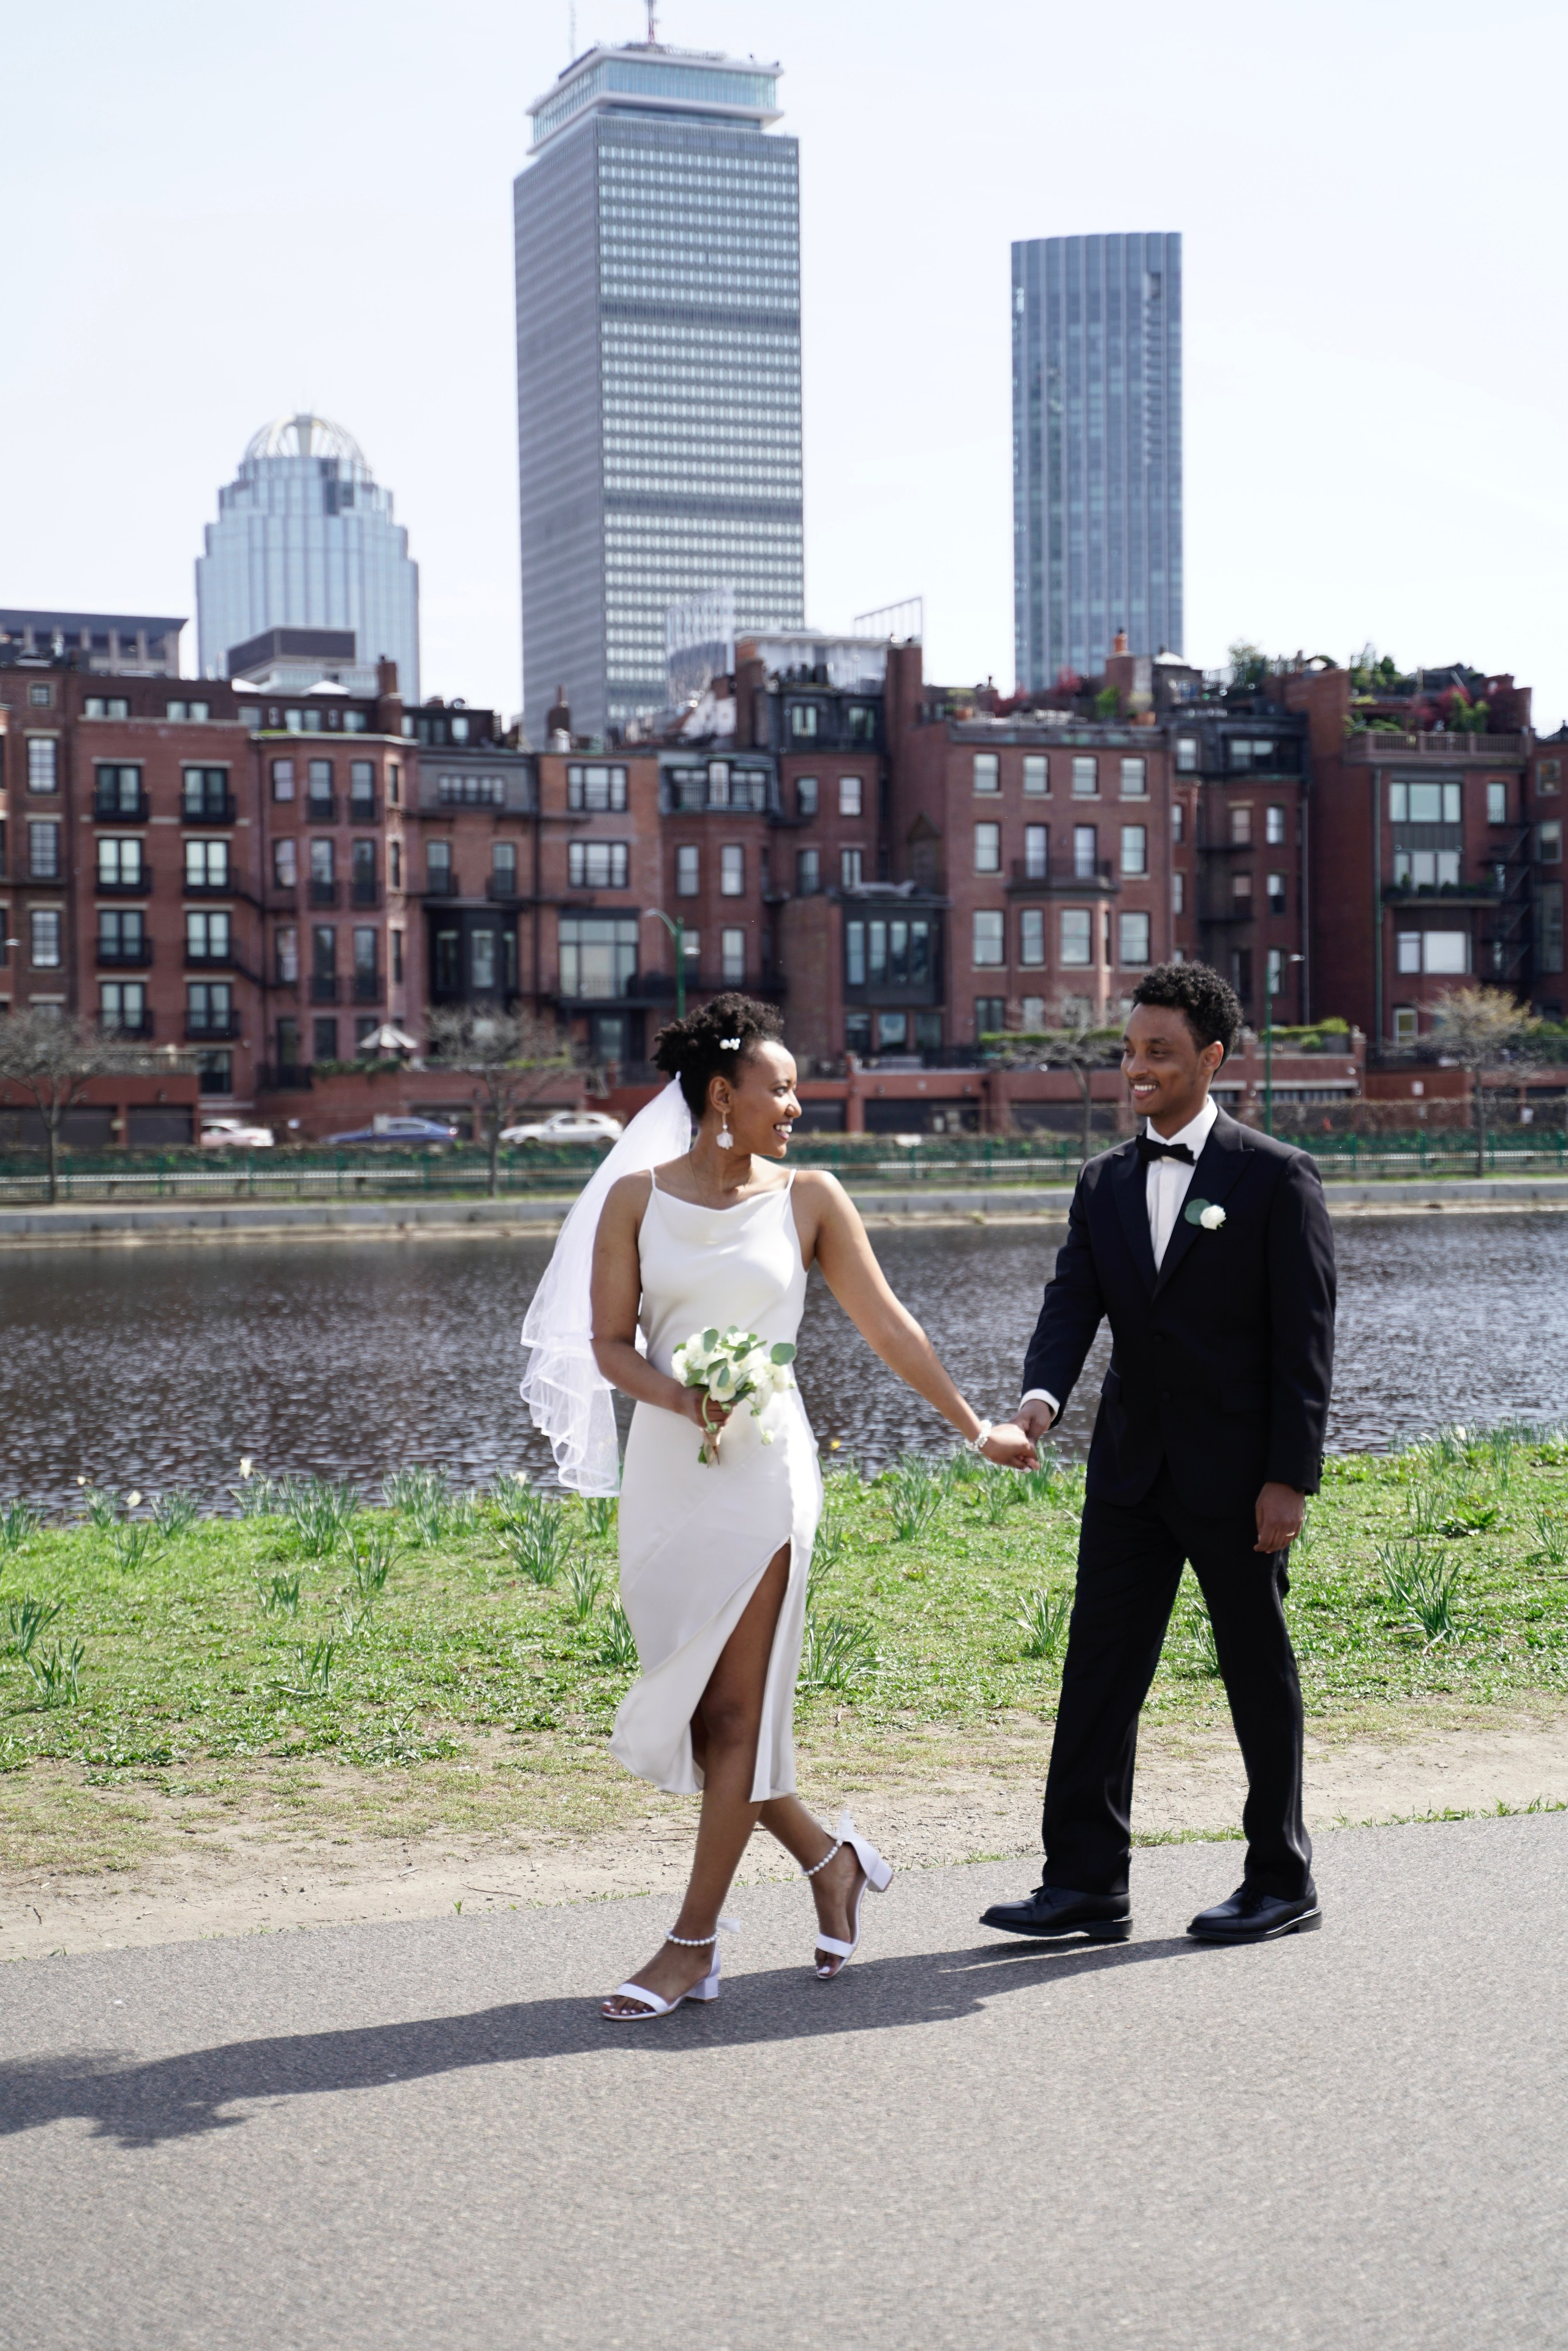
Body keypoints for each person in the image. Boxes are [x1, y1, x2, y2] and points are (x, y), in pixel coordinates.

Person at [524, 992, 1036, 2020]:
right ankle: (829, 1857)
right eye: (784, 1087)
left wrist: (976, 1427)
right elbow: (610, 1345)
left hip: (765, 1473)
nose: (798, 1105)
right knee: (704, 1716)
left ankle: (692, 1944)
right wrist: (681, 1396)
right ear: (724, 1094)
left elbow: (888, 1325)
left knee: (736, 1715)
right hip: (669, 1470)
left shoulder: (811, 1198)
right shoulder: (634, 1200)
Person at [980, 962, 1336, 1947]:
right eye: (1131, 1050)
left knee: (1255, 1671)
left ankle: (1282, 1877)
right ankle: (1085, 1882)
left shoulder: (1277, 1176)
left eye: (1160, 1052)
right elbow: (1071, 1304)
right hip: (1130, 1473)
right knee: (1098, 1670)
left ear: (1211, 1058)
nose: (1137, 1068)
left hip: (1241, 1479)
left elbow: (1305, 1342)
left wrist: (1289, 1478)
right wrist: (1040, 1402)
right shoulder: (1102, 1180)